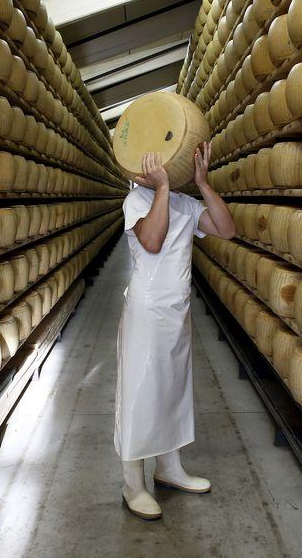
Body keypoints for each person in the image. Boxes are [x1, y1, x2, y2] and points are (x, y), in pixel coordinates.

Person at [114, 142, 236, 521]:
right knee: (139, 392)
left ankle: (168, 468)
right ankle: (133, 483)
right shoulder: (136, 200)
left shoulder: (185, 203)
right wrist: (162, 189)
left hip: (176, 310)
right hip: (146, 311)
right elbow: (151, 242)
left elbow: (226, 229)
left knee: (171, 387)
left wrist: (201, 183)